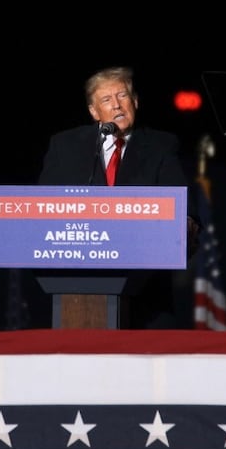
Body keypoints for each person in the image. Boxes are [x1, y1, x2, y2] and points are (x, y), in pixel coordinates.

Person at [37, 65, 200, 329]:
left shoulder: (161, 145)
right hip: (77, 288)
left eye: (122, 96)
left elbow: (182, 205)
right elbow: (43, 208)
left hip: (144, 289)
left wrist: (187, 224)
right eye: (106, 100)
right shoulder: (65, 146)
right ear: (93, 111)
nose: (117, 106)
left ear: (135, 101)